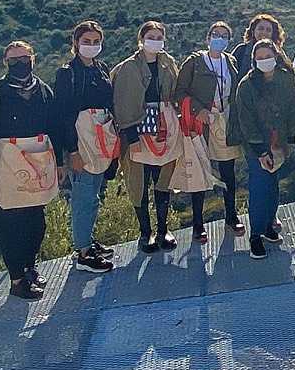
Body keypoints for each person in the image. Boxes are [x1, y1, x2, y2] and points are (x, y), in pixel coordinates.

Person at [0, 39, 60, 300]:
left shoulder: (44, 91)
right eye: (14, 60)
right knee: (10, 221)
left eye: (25, 58)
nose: (21, 64)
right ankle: (16, 279)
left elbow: (55, 127)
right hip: (6, 165)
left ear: (33, 59)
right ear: (5, 63)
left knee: (36, 219)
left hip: (40, 161)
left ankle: (30, 266)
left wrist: (63, 162)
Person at [110, 20, 181, 254]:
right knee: (138, 182)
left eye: (159, 37)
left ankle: (163, 229)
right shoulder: (126, 68)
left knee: (163, 181)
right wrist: (129, 134)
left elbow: (177, 92)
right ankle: (145, 232)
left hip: (165, 128)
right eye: (151, 36)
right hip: (136, 130)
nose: (155, 41)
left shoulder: (168, 63)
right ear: (141, 39)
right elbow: (121, 102)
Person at [52, 20, 116, 273]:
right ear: (75, 44)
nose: (91, 46)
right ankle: (82, 252)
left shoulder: (101, 69)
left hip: (101, 136)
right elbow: (63, 115)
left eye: (95, 42)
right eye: (86, 41)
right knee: (83, 195)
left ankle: (88, 242)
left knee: (94, 195)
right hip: (81, 140)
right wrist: (72, 151)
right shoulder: (67, 73)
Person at [230, 37, 295, 258]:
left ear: (276, 56)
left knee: (273, 185)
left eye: (268, 56)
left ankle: (269, 225)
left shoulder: (286, 79)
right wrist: (260, 151)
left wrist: (288, 141)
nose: (264, 60)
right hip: (256, 146)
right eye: (259, 58)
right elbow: (246, 120)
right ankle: (255, 236)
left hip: (280, 142)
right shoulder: (247, 85)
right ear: (253, 61)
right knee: (259, 187)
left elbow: (292, 110)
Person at [174, 20, 243, 242]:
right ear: (208, 37)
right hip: (200, 124)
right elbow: (179, 92)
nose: (220, 39)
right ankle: (198, 224)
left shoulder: (229, 61)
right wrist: (198, 109)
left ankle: (231, 216)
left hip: (224, 121)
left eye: (224, 35)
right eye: (216, 34)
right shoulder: (194, 62)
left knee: (228, 173)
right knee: (200, 174)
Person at [234, 12, 286, 81]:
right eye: (261, 28)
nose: (264, 32)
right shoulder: (241, 51)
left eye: (268, 30)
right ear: (253, 31)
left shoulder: (279, 53)